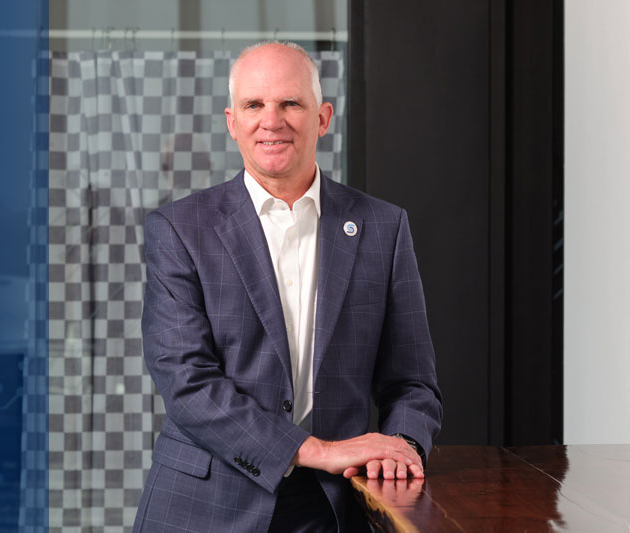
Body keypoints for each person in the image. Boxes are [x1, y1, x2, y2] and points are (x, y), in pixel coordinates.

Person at [133, 41, 443, 532]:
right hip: (206, 506)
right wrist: (316, 451)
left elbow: (413, 382)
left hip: (337, 507)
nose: (271, 121)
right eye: (255, 105)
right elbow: (187, 383)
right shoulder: (179, 229)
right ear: (232, 122)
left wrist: (399, 447)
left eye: (290, 104)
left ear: (322, 118)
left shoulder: (384, 227)